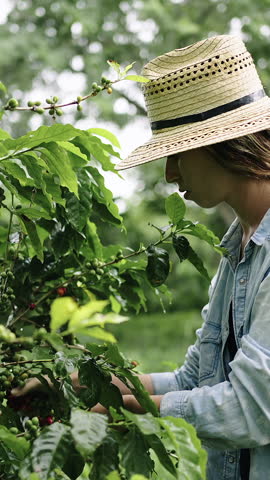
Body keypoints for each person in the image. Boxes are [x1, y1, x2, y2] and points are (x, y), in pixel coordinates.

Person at [12, 35, 270, 479]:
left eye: (176, 152)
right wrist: (72, 386)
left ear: (223, 144)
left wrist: (104, 411)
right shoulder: (238, 252)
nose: (170, 174)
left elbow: (250, 411)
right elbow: (197, 381)